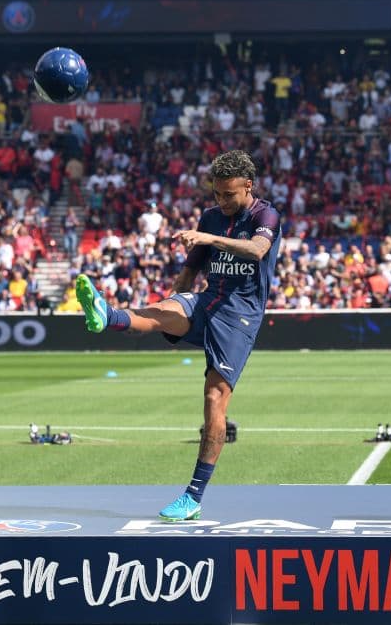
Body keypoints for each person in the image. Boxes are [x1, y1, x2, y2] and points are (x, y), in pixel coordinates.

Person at [75, 150, 281, 522]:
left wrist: (207, 237)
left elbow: (256, 250)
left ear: (248, 186)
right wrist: (172, 302)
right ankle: (108, 317)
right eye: (217, 193)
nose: (222, 200)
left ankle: (193, 497)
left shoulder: (264, 216)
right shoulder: (211, 217)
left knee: (214, 399)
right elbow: (190, 272)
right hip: (207, 301)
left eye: (229, 194)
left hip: (239, 318)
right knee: (161, 312)